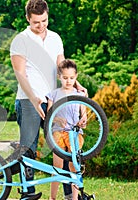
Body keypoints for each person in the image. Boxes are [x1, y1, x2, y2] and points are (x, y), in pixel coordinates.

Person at [10, 0, 86, 199]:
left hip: (54, 99)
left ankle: (70, 194)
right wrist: (34, 98)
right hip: (28, 100)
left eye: (44, 20)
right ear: (28, 18)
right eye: (36, 22)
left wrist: (75, 85)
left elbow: (62, 65)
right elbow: (20, 73)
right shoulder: (21, 40)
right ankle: (28, 192)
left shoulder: (55, 38)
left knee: (64, 145)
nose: (41, 25)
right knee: (29, 149)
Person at [47, 59, 87, 200]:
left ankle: (74, 198)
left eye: (71, 78)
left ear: (76, 77)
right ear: (59, 77)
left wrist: (83, 120)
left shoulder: (80, 95)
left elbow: (84, 115)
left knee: (73, 165)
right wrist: (58, 119)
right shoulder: (54, 94)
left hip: (74, 133)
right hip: (57, 132)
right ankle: (52, 197)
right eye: (65, 78)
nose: (68, 81)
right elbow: (49, 114)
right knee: (57, 166)